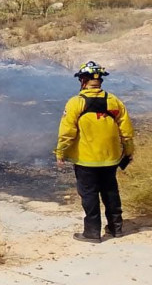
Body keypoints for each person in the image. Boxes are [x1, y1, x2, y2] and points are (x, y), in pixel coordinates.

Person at [55, 61, 135, 243]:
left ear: (83, 81)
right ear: (100, 82)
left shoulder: (76, 103)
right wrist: (128, 152)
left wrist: (60, 152)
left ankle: (92, 233)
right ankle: (117, 228)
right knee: (110, 192)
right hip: (110, 158)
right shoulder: (114, 101)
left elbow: (67, 132)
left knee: (89, 194)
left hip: (86, 160)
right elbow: (127, 132)